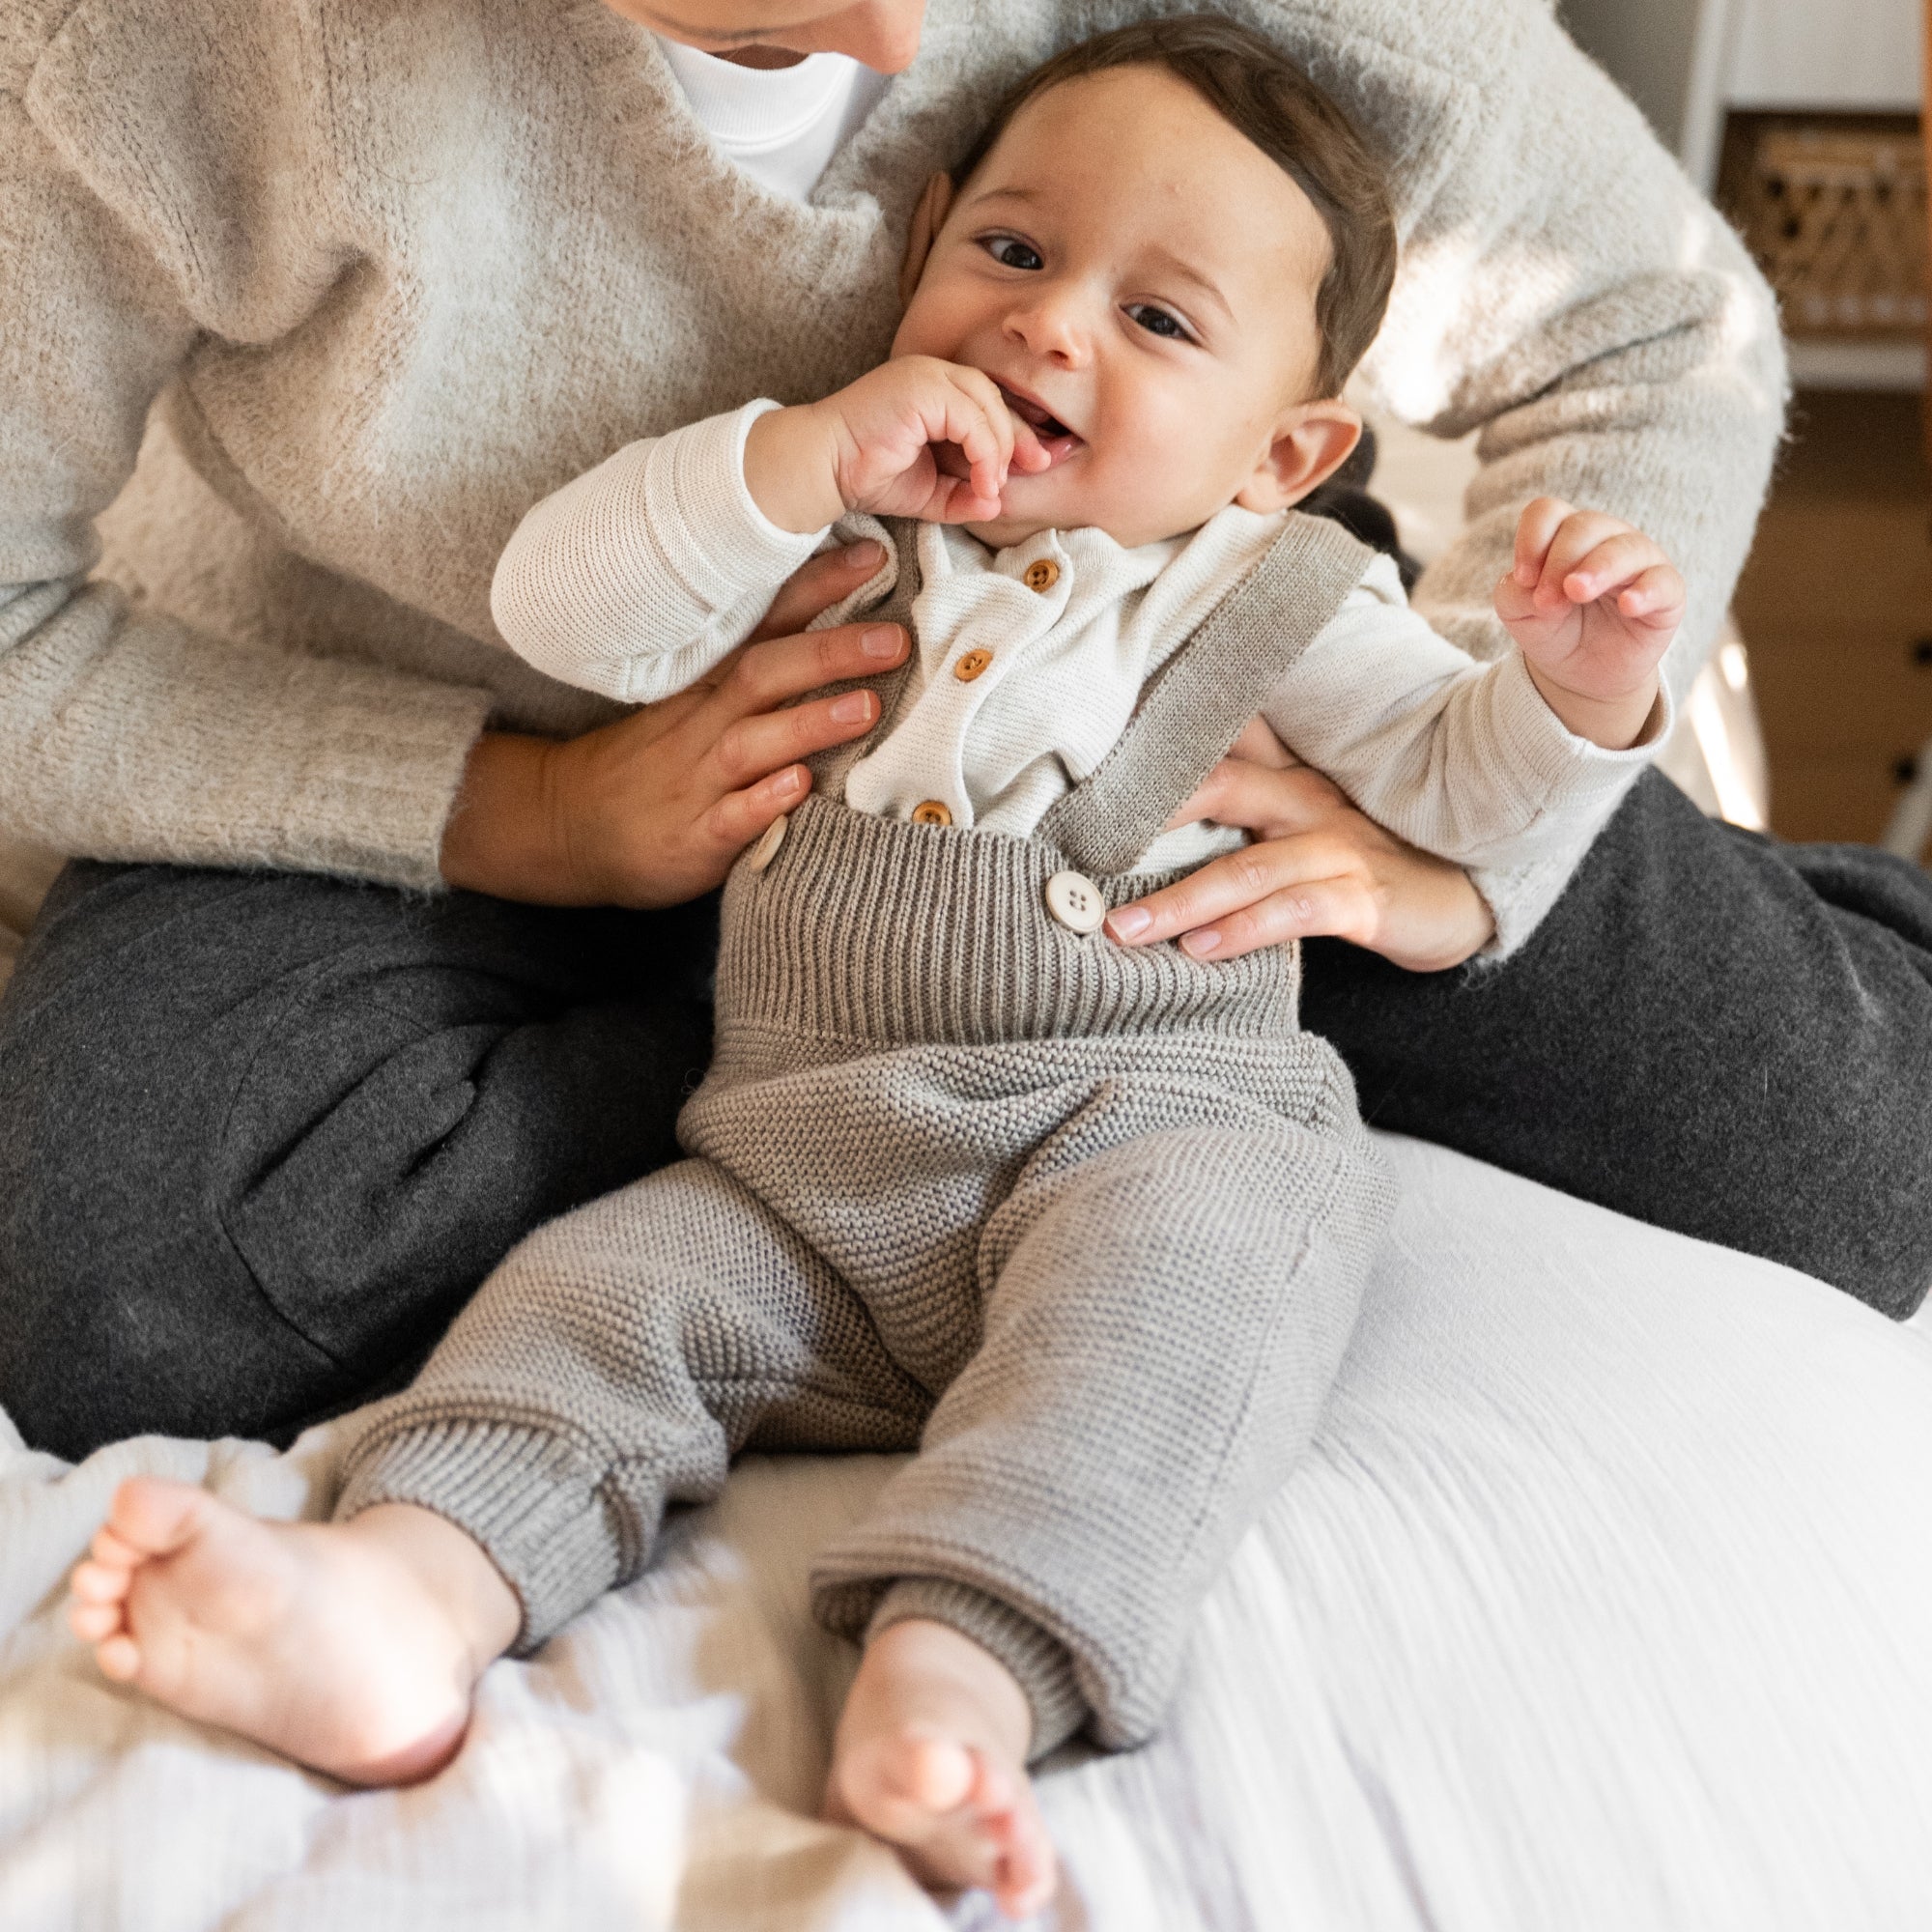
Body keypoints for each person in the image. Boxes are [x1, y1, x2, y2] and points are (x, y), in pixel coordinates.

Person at [66, 25, 1690, 1917]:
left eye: (1158, 324)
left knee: (1163, 1327)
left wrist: (1577, 687)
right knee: (595, 1300)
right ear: (917, 245)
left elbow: (1464, 777)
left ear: (1287, 453)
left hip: (1142, 1120)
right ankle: (402, 1593)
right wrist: (786, 460)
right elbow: (562, 609)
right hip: (798, 1152)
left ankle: (964, 1663)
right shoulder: (831, 509)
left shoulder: (1280, 595)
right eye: (1008, 252)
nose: (1052, 326)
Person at [0, 4, 1925, 1448]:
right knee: (114, 1292)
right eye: (999, 250)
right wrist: (527, 813)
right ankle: (803, 1089)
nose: (910, 45)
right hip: (437, 736)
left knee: (1861, 1159)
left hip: (1118, 793)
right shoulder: (164, 49)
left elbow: (1655, 327)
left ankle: (893, 1061)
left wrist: (1466, 841)